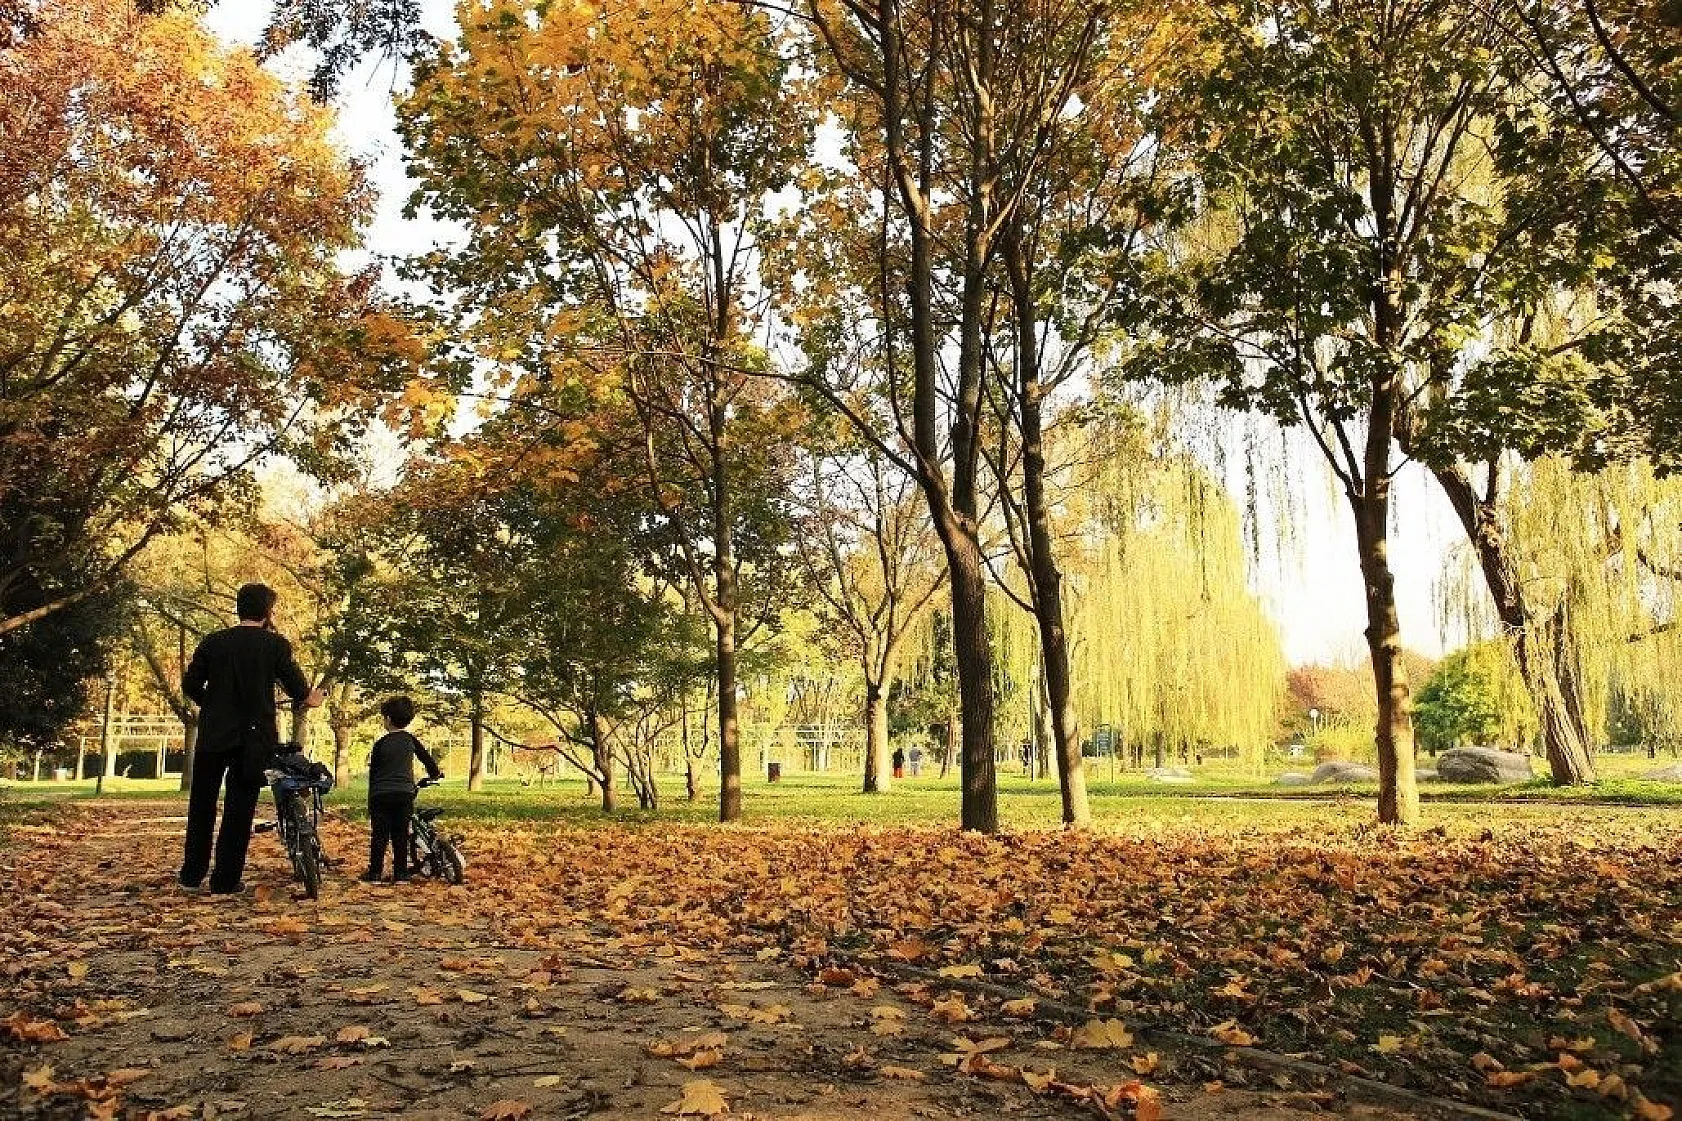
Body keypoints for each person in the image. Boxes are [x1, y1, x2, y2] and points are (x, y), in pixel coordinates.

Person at [180, 583, 323, 893]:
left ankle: (192, 874)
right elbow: (301, 694)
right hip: (253, 739)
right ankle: (226, 880)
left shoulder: (213, 643)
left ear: (239, 608)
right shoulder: (275, 646)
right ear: (268, 612)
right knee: (239, 808)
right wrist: (316, 698)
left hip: (213, 735)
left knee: (202, 803)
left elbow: (190, 684)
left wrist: (214, 704)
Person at [363, 695, 443, 883]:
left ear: (388, 719)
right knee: (401, 834)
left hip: (380, 794)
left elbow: (373, 775)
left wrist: (370, 801)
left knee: (379, 835)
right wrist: (435, 774)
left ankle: (375, 873)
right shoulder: (410, 740)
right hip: (404, 794)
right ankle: (400, 873)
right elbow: (428, 760)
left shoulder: (380, 744)